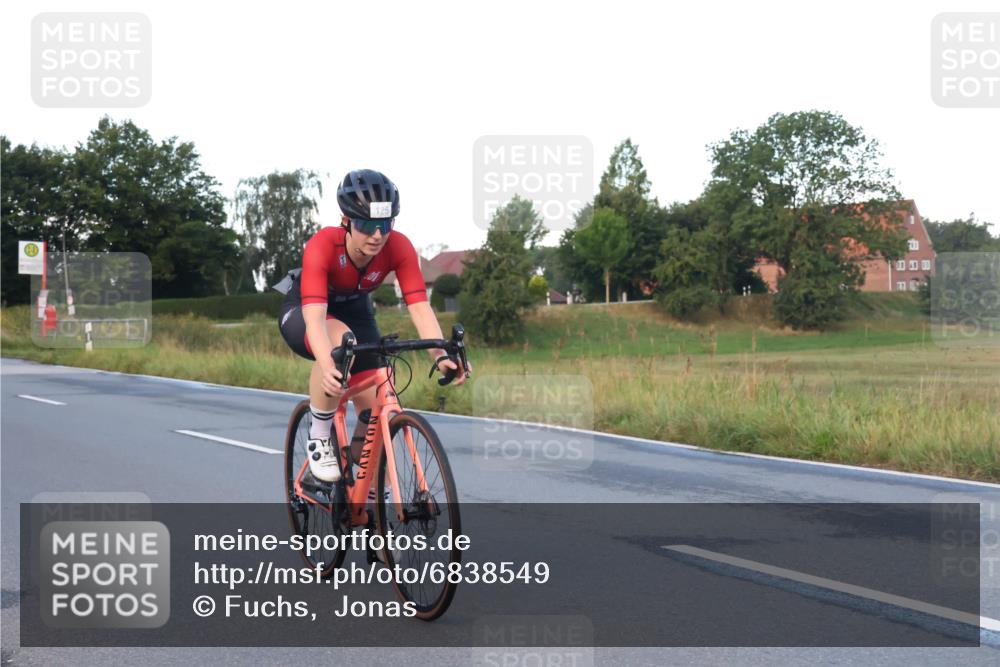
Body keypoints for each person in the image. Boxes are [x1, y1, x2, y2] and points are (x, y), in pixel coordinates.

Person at [278, 169, 467, 484]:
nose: (377, 236)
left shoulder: (400, 247)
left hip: (356, 310)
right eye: (366, 226)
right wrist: (327, 365)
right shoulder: (323, 245)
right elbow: (315, 319)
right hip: (305, 309)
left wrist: (440, 354)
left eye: (384, 225)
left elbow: (420, 307)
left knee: (376, 400)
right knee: (340, 344)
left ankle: (361, 490)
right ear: (346, 220)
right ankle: (320, 434)